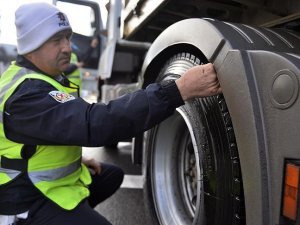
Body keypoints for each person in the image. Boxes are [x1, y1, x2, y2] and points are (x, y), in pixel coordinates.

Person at [0, 2, 221, 225]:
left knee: (110, 175)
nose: (67, 47)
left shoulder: (43, 77)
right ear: (31, 46)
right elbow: (94, 123)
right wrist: (177, 90)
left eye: (67, 38)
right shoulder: (26, 93)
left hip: (41, 183)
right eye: (56, 41)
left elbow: (49, 131)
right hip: (25, 199)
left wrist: (79, 159)